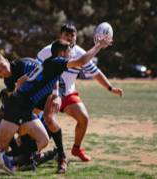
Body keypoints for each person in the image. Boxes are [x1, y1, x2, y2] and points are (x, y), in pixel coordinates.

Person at [0, 36, 112, 179]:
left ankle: (7, 157)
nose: (71, 54)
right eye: (69, 51)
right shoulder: (57, 62)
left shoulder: (49, 63)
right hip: (18, 105)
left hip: (23, 105)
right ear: (61, 52)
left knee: (42, 140)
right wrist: (98, 46)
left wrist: (31, 89)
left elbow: (24, 78)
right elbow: (82, 60)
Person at [37, 23, 124, 162]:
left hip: (68, 94)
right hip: (47, 94)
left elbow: (96, 73)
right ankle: (34, 152)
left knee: (84, 118)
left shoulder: (80, 53)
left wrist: (110, 88)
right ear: (61, 36)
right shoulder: (47, 51)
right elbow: (35, 71)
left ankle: (76, 148)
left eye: (72, 35)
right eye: (66, 35)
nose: (70, 38)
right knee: (43, 126)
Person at [0, 55, 67, 173]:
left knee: (48, 118)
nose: (4, 71)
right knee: (23, 122)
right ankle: (33, 157)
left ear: (7, 60)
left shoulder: (25, 65)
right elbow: (16, 102)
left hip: (52, 88)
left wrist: (56, 94)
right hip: (35, 98)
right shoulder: (7, 80)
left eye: (3, 66)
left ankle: (62, 157)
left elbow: (52, 71)